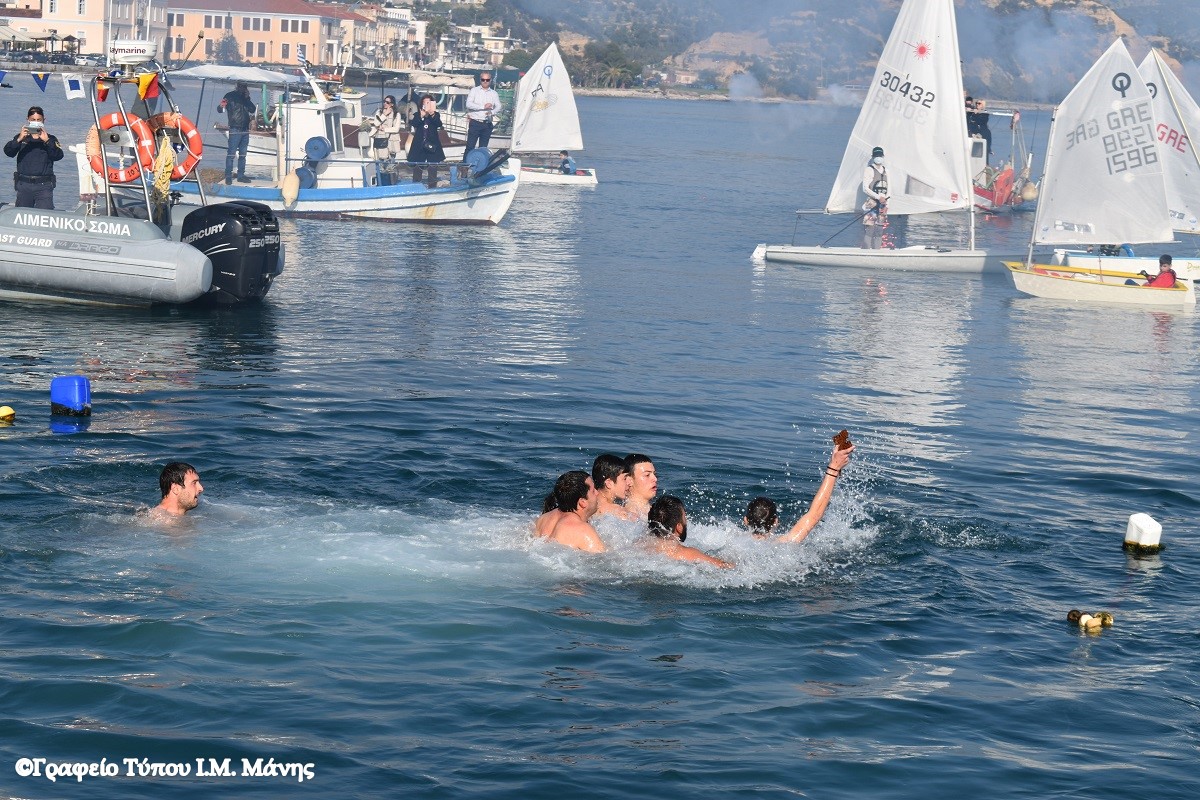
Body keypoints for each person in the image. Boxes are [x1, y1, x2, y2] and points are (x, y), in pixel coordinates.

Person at [743, 442, 854, 543]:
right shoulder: (786, 542)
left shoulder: (734, 542)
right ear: (776, 521)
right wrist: (834, 466)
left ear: (746, 520)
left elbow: (815, 515)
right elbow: (815, 515)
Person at [647, 496, 732, 569]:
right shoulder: (689, 554)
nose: (687, 520)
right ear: (679, 528)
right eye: (684, 517)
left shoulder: (641, 545)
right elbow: (724, 566)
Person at [5, 106, 63, 209]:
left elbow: (58, 156)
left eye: (39, 120)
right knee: (23, 215)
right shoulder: (21, 137)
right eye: (33, 120)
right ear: (28, 120)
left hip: (43, 186)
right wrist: (19, 139)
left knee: (45, 214)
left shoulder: (51, 139)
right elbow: (8, 152)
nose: (36, 122)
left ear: (44, 120)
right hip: (24, 185)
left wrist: (47, 141)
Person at [544, 470, 605, 552]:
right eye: (593, 491)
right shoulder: (583, 530)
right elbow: (603, 558)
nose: (597, 493)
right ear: (582, 502)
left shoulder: (542, 520)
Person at [218, 81, 256, 185]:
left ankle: (241, 175)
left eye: (244, 87)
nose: (243, 88)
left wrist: (247, 98)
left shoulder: (245, 98)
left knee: (243, 155)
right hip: (235, 129)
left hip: (245, 129)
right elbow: (220, 109)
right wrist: (222, 105)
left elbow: (252, 109)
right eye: (241, 86)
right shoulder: (229, 96)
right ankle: (228, 176)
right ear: (237, 86)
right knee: (231, 154)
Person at [407, 94, 446, 188]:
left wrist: (432, 114)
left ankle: (432, 185)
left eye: (429, 102)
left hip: (432, 143)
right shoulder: (417, 114)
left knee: (432, 166)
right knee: (418, 165)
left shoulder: (435, 115)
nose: (427, 104)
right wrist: (421, 115)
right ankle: (416, 186)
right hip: (419, 143)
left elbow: (439, 124)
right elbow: (414, 123)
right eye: (425, 102)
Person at [368, 95, 404, 185]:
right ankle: (381, 184)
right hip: (380, 141)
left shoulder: (396, 114)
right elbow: (376, 123)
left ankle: (391, 184)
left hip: (391, 142)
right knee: (380, 165)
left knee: (390, 167)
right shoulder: (379, 112)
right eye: (384, 101)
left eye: (387, 102)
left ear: (392, 104)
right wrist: (384, 115)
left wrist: (385, 129)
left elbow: (396, 129)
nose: (385, 103)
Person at [591, 453, 636, 520]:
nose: (629, 483)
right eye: (624, 478)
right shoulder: (621, 513)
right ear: (609, 483)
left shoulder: (587, 507)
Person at [465, 71, 501, 151]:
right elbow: (468, 104)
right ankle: (467, 159)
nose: (485, 81)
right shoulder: (474, 90)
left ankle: (481, 159)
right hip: (475, 123)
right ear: (480, 80)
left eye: (487, 80)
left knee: (483, 149)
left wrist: (492, 112)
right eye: (483, 79)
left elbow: (498, 106)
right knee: (470, 147)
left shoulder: (494, 93)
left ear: (490, 80)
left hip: (487, 124)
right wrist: (483, 107)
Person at [861, 146, 889, 250]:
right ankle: (865, 252)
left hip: (882, 205)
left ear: (883, 156)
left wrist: (886, 204)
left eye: (880, 155)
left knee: (879, 230)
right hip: (872, 203)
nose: (878, 157)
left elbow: (889, 189)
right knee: (870, 229)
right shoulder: (869, 169)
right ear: (873, 157)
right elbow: (865, 188)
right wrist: (878, 197)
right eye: (876, 155)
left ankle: (877, 252)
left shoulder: (886, 170)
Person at [623, 453, 658, 520]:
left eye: (655, 474)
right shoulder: (625, 517)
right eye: (647, 475)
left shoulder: (658, 511)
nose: (655, 479)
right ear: (629, 480)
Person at [965, 94, 993, 163]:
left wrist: (976, 114)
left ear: (983, 105)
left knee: (984, 150)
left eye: (979, 103)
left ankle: (986, 163)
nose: (977, 104)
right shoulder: (972, 112)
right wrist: (969, 110)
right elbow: (968, 118)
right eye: (976, 103)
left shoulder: (985, 113)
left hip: (982, 133)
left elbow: (981, 121)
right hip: (972, 132)